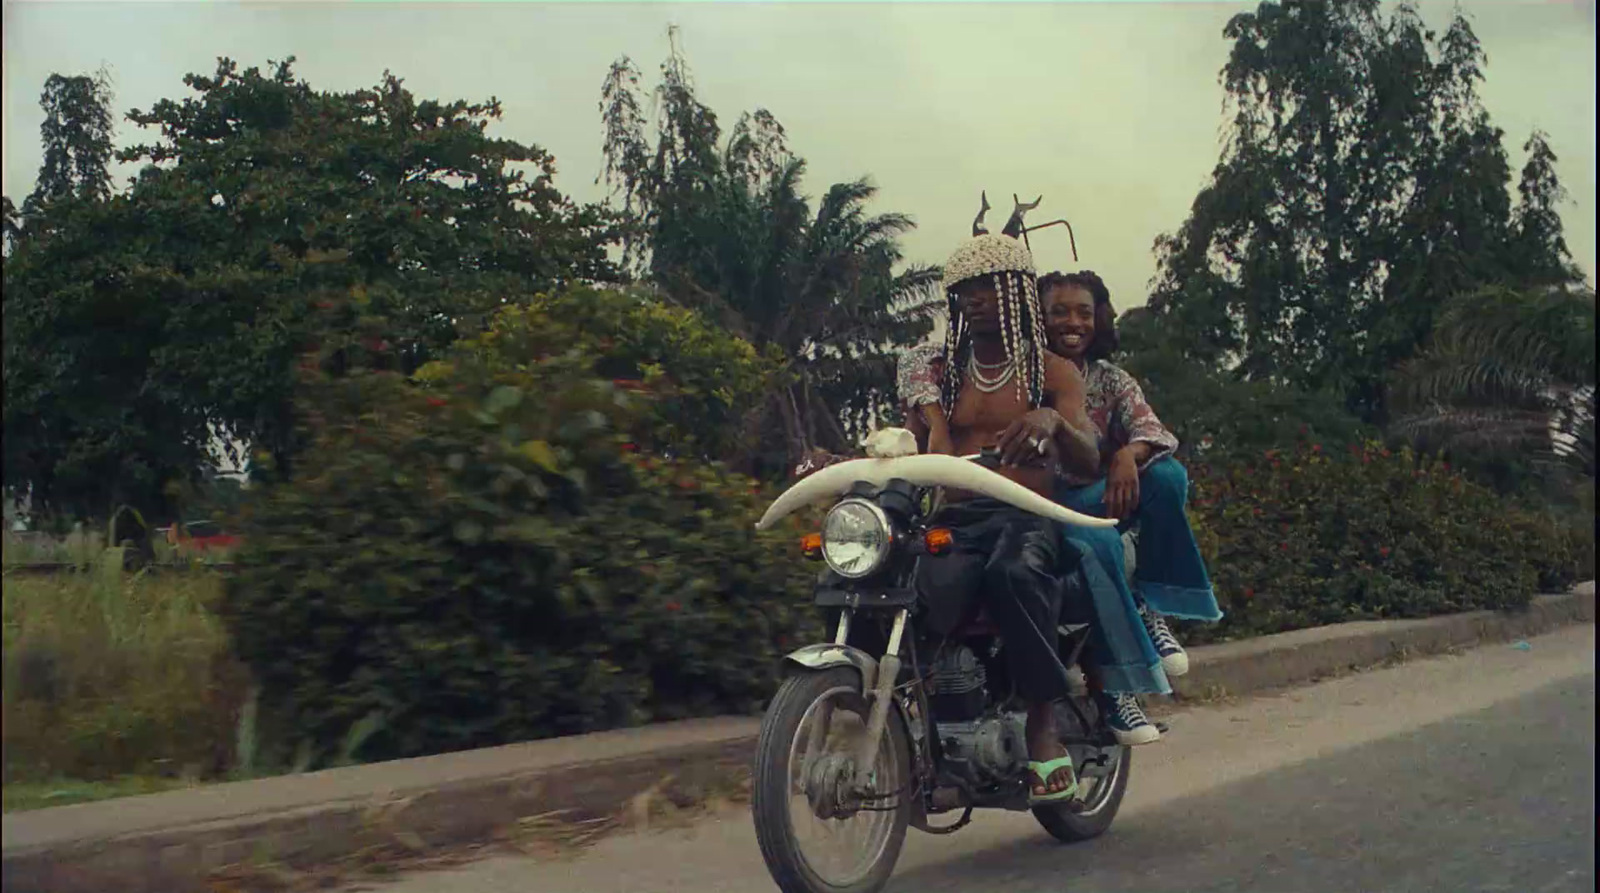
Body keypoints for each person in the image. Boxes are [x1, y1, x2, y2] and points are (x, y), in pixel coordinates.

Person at [900, 232, 1110, 804]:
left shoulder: (1053, 372)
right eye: (964, 290)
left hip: (1029, 515)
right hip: (960, 518)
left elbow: (1090, 461)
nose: (975, 299)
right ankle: (931, 734)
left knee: (1014, 573)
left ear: (1017, 290)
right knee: (902, 585)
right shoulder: (942, 375)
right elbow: (909, 445)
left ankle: (1044, 726)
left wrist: (1053, 423)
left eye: (988, 287)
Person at [1036, 270, 1221, 699]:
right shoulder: (1025, 375)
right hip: (1039, 506)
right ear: (1037, 318)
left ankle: (1153, 601)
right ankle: (1116, 687)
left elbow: (1152, 431)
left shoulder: (1111, 378)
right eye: (1058, 312)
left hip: (1097, 499)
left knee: (1168, 474)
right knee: (1098, 545)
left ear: (1098, 318)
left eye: (1084, 312)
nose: (1073, 323)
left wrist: (1126, 454)